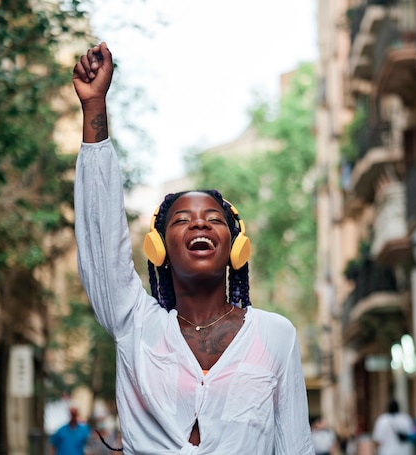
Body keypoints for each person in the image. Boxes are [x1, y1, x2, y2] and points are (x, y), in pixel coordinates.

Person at [72, 42, 314, 454]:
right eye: (182, 220)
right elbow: (100, 241)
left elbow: (295, 447)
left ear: (236, 247)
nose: (199, 222)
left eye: (213, 218)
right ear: (158, 248)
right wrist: (95, 106)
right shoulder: (135, 325)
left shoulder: (276, 336)